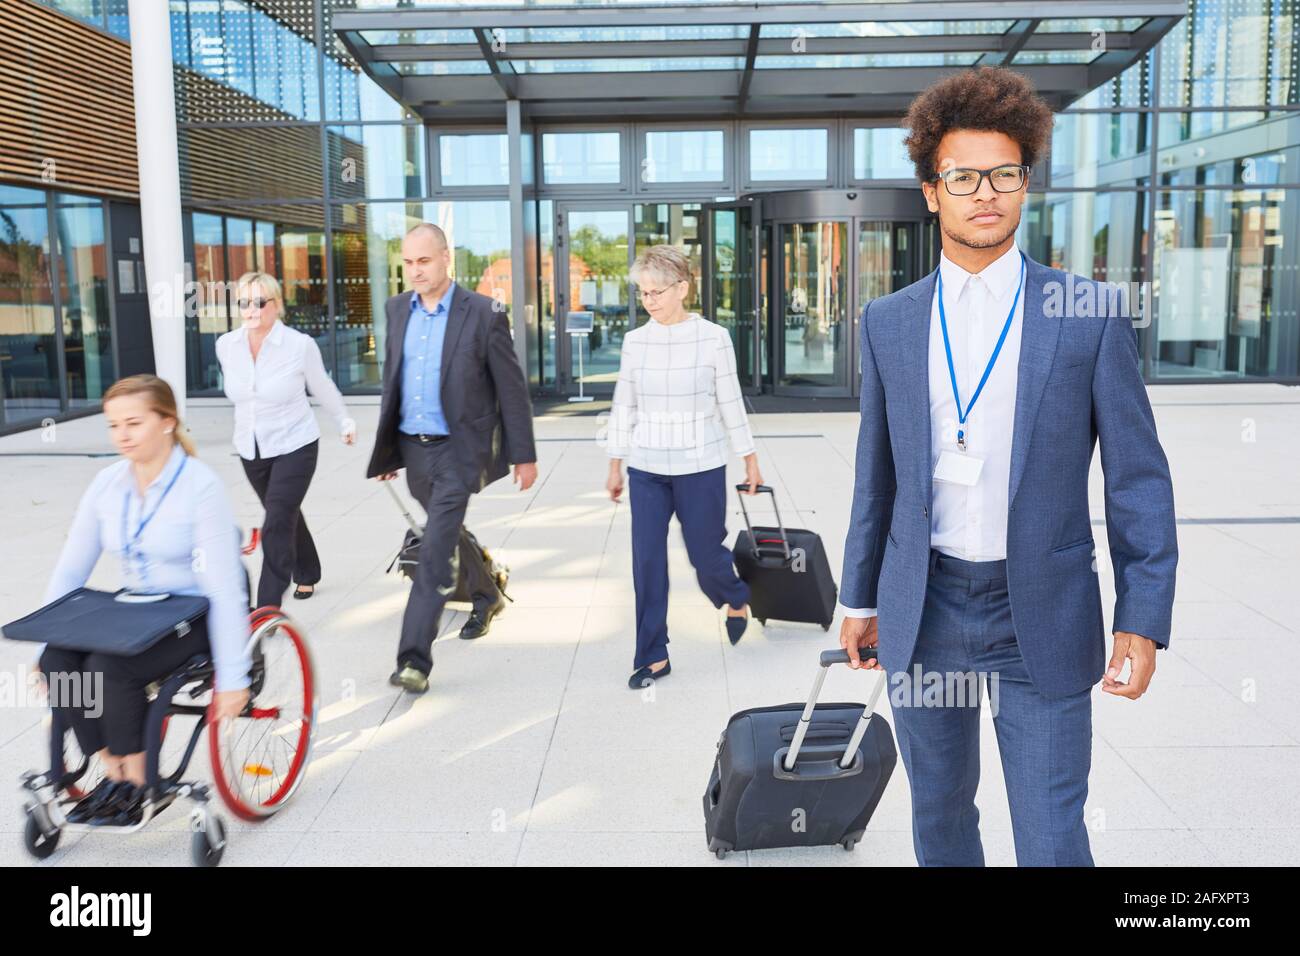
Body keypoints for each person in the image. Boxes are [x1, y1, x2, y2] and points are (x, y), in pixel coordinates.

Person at [838, 66, 1178, 866]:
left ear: (1025, 185)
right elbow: (876, 476)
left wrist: (1143, 613)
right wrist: (859, 595)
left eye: (1004, 173)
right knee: (942, 817)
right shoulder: (890, 322)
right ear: (932, 191)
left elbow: (1137, 477)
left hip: (1044, 611)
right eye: (962, 175)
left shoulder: (1086, 314)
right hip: (926, 608)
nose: (983, 192)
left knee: (1053, 832)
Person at [36, 374, 251, 825]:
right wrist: (44, 641)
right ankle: (111, 762)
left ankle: (138, 778)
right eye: (114, 426)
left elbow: (224, 587)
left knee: (108, 668)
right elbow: (72, 568)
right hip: (135, 608)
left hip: (192, 614)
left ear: (167, 422)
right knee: (58, 660)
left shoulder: (199, 486)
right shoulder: (107, 483)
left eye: (133, 423)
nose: (122, 436)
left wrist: (234, 677)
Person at [367, 222, 538, 694]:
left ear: (447, 259)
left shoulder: (482, 313)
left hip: (459, 451)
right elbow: (393, 380)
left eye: (424, 261)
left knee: (435, 551)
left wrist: (523, 454)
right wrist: (387, 449)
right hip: (412, 451)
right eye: (408, 263)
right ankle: (487, 592)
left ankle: (413, 659)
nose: (415, 271)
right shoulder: (397, 309)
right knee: (445, 530)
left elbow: (511, 388)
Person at [605, 245, 762, 690]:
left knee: (706, 556)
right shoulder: (636, 342)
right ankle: (652, 654)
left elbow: (730, 401)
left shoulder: (713, 337)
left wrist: (749, 459)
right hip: (648, 468)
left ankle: (735, 597)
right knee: (647, 562)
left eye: (657, 291)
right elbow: (624, 404)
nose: (649, 300)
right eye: (643, 293)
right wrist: (616, 463)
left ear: (683, 288)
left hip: (702, 465)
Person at [216, 271, 356, 607]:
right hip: (251, 448)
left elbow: (321, 386)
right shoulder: (226, 346)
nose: (251, 310)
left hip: (296, 445)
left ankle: (265, 609)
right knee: (284, 512)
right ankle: (307, 571)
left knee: (276, 520)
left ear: (277, 305)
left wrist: (344, 420)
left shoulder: (299, 345)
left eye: (259, 302)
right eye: (244, 302)